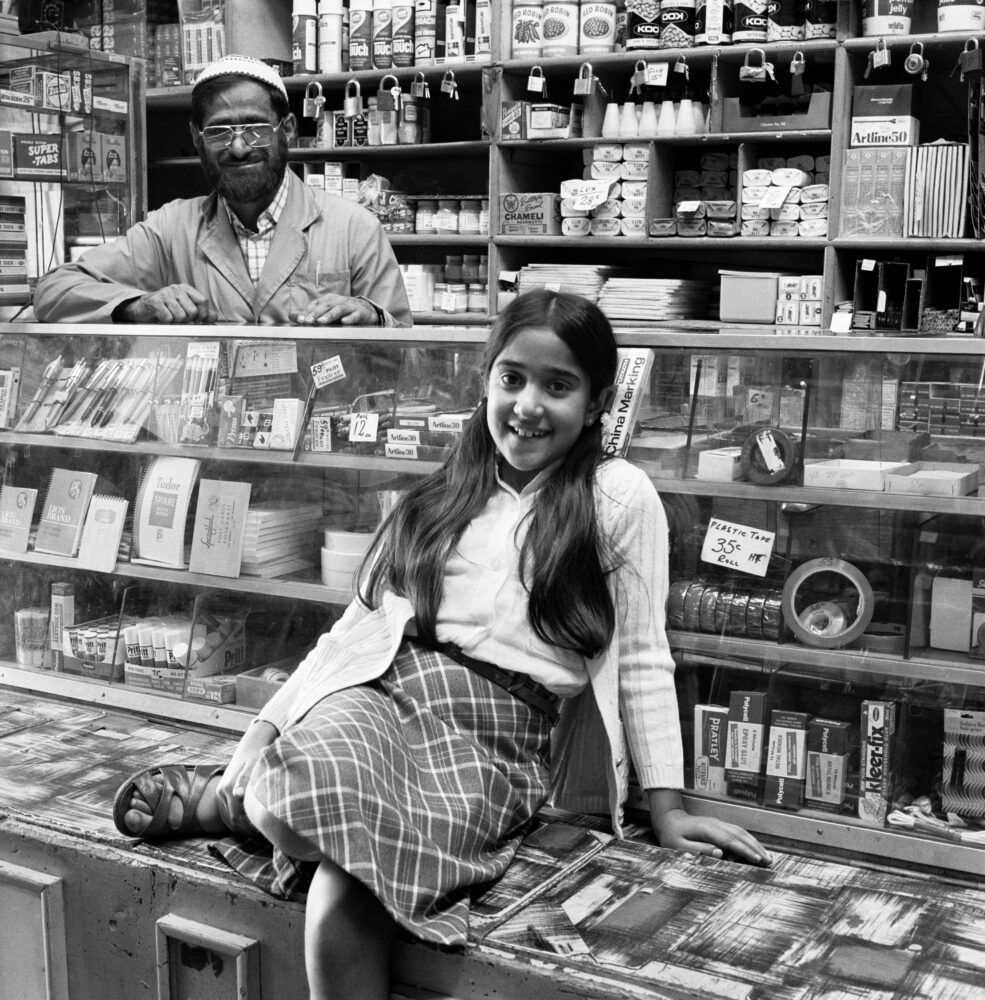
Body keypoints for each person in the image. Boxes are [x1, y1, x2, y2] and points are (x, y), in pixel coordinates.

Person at [112, 290, 770, 1000]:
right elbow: (355, 631)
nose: (527, 405)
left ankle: (223, 804)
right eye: (511, 378)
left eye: (558, 386)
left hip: (495, 738)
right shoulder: (443, 491)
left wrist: (667, 809)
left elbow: (642, 655)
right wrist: (263, 728)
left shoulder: (618, 496)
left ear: (596, 401)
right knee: (304, 803)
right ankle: (248, 793)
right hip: (387, 693)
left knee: (344, 863)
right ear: (485, 378)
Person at [33, 54, 411, 328]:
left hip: (321, 428)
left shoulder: (354, 228)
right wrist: (136, 305)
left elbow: (408, 349)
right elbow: (54, 291)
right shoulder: (170, 229)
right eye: (218, 131)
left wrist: (374, 317)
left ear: (289, 129)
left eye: (256, 128)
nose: (239, 147)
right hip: (209, 433)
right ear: (197, 137)